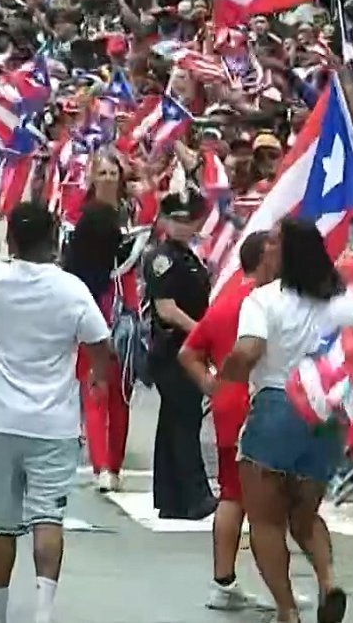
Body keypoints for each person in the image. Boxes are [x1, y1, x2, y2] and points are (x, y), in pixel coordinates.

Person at [0, 201, 113, 623]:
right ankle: (43, 613)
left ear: (9, 239)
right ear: (54, 241)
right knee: (47, 517)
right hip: (53, 424)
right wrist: (98, 375)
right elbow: (99, 343)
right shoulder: (72, 289)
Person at [221, 217, 353, 623]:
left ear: (288, 252)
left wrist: (220, 377)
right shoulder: (339, 300)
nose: (269, 247)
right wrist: (351, 367)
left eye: (276, 242)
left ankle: (287, 609)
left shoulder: (263, 299)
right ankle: (328, 580)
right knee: (305, 514)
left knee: (265, 519)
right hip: (326, 416)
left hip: (277, 406)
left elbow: (248, 351)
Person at [179, 231, 281, 610]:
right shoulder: (265, 302)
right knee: (266, 504)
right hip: (259, 406)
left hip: (230, 407)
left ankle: (224, 581)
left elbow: (188, 352)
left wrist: (212, 386)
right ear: (264, 259)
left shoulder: (224, 302)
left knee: (233, 495)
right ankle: (274, 589)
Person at [144, 189, 216, 520]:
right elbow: (167, 309)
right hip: (172, 347)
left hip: (187, 346)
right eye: (176, 220)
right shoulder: (162, 258)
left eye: (188, 220)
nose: (183, 227)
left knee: (175, 421)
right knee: (184, 420)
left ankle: (171, 499)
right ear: (163, 221)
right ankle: (194, 494)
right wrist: (202, 331)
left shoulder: (188, 256)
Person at [61, 199, 130, 492]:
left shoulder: (74, 271)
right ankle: (113, 467)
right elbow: (132, 303)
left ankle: (100, 467)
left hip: (88, 339)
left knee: (94, 402)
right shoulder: (123, 264)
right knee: (120, 403)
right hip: (118, 337)